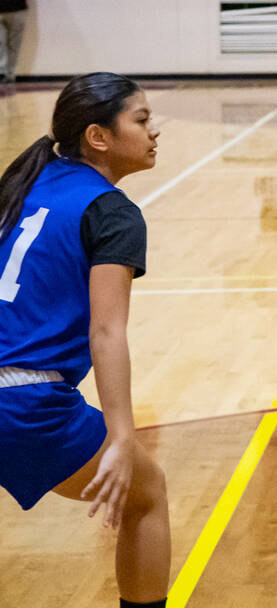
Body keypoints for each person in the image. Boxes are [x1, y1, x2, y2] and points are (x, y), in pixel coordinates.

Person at [0, 72, 171, 608]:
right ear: (99, 136)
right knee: (147, 496)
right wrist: (122, 437)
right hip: (25, 404)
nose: (153, 132)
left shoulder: (27, 183)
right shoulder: (112, 211)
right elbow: (106, 330)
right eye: (141, 120)